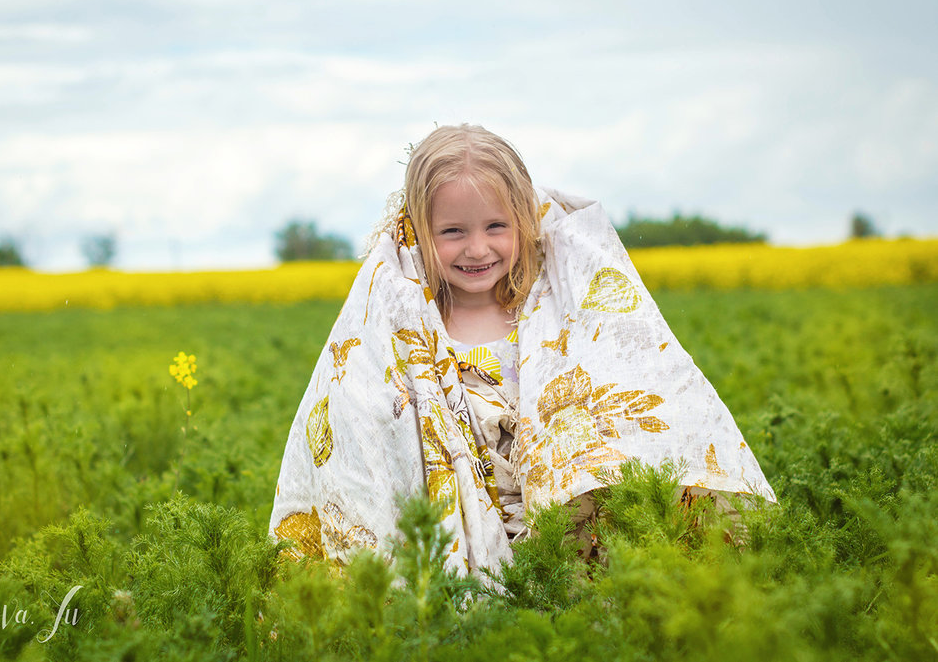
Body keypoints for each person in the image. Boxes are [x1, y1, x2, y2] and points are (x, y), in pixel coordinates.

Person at [269, 124, 775, 576]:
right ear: (417, 231)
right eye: (452, 232)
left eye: (496, 226)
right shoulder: (400, 330)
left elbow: (635, 399)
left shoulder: (560, 315)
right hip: (456, 543)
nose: (477, 249)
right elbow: (363, 428)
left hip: (567, 542)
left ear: (524, 221)